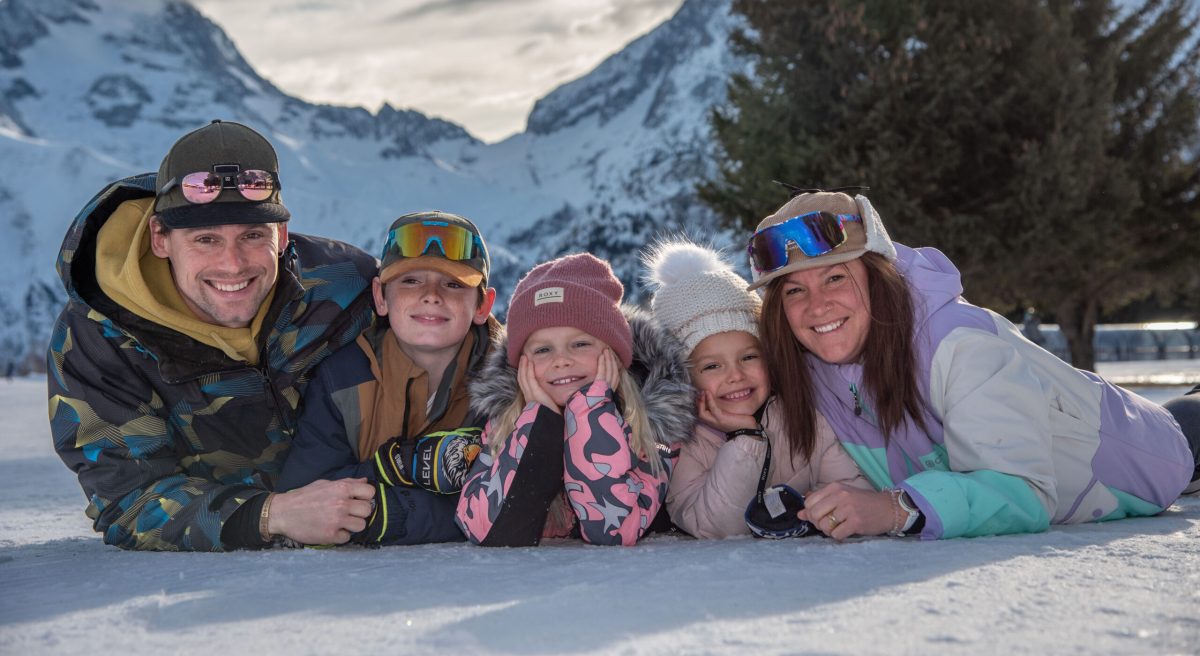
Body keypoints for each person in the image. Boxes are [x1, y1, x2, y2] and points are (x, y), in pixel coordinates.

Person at [746, 190, 1200, 541]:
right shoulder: (812, 371)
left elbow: (1024, 492)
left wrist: (894, 509)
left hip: (1147, 459)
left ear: (877, 276)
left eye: (835, 278)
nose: (817, 306)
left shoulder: (959, 344)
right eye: (794, 291)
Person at [47, 120, 379, 551]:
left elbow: (456, 339)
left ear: (280, 235)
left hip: (385, 522)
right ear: (161, 238)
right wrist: (270, 516)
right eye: (205, 239)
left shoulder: (345, 286)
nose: (233, 264)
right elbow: (129, 498)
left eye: (252, 235)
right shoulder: (98, 338)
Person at [276, 211, 499, 545]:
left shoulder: (507, 386)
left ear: (483, 305)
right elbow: (307, 494)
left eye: (453, 284)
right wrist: (397, 466)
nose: (431, 295)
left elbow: (502, 501)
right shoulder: (343, 377)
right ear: (380, 296)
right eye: (410, 281)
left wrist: (385, 513)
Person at [455, 253, 695, 546]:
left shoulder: (650, 420)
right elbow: (484, 528)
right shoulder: (507, 423)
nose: (562, 360)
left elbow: (615, 531)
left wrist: (591, 413)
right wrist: (539, 423)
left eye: (580, 344)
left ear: (614, 354)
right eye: (543, 350)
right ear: (521, 365)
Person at [644, 239, 869, 539]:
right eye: (712, 366)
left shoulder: (804, 418)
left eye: (749, 357)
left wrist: (823, 509)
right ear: (682, 378)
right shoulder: (682, 445)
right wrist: (744, 437)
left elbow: (852, 491)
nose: (735, 375)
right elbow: (715, 527)